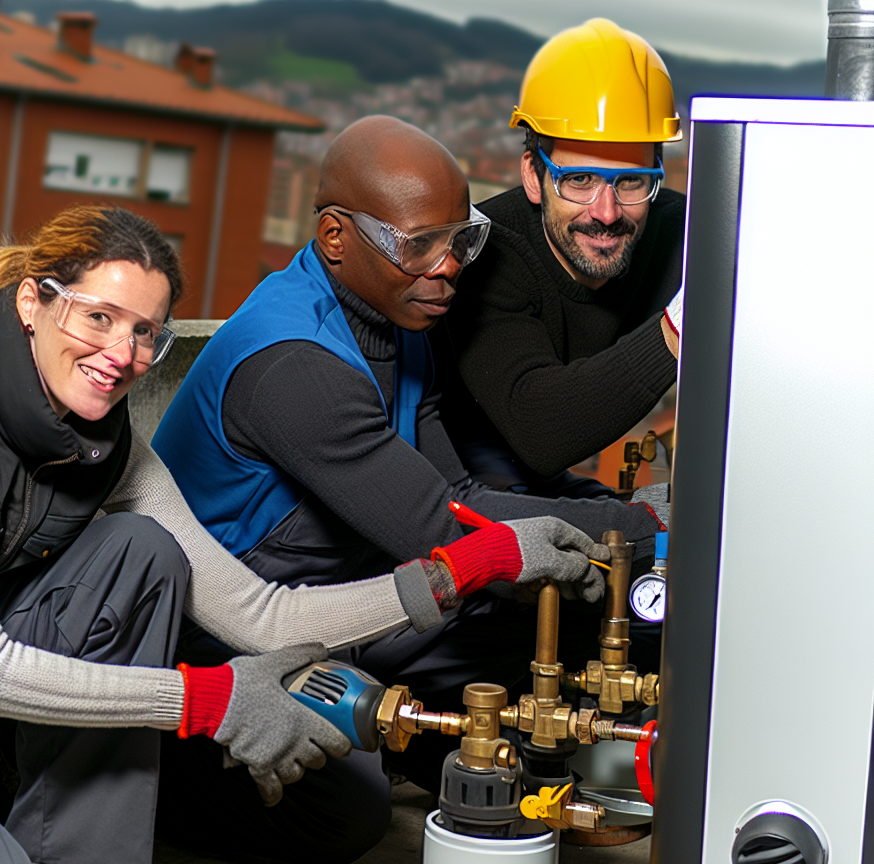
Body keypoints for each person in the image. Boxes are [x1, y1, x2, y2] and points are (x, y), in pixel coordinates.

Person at [0, 206, 606, 864]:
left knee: (140, 553)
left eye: (145, 333)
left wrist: (468, 564)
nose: (121, 354)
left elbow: (258, 612)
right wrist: (207, 700)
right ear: (34, 302)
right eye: (99, 317)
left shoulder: (107, 444)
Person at [152, 117, 668, 792]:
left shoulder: (401, 317)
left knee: (569, 600)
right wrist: (649, 527)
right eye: (420, 245)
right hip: (232, 640)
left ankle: (443, 751)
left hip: (349, 594)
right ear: (336, 237)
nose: (449, 266)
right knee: (344, 820)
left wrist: (618, 513)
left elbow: (457, 488)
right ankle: (158, 773)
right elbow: (444, 528)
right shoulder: (296, 367)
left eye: (460, 241)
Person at [436, 18, 685, 499]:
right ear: (534, 176)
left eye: (631, 181)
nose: (607, 213)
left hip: (552, 483)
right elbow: (542, 433)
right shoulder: (485, 255)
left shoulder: (681, 229)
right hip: (455, 476)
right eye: (580, 180)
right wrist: (684, 324)